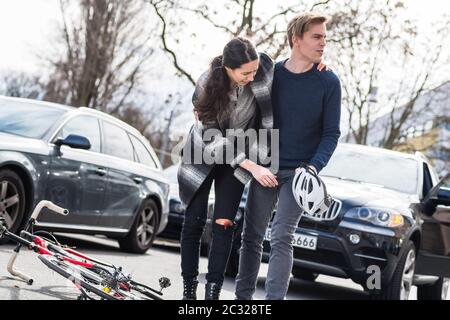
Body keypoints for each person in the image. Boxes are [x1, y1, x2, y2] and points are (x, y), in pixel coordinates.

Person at [235, 12, 342, 300]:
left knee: (282, 236)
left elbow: (331, 133)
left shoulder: (329, 81)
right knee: (251, 237)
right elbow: (238, 92)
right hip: (265, 168)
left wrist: (312, 168)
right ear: (296, 39)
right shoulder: (270, 73)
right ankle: (242, 300)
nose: (323, 44)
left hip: (299, 175)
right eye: (316, 37)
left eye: (324, 38)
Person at [177, 37, 276, 300]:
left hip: (241, 151)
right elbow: (210, 137)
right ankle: (189, 292)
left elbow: (292, 66)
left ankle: (213, 294)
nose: (252, 76)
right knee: (194, 220)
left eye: (254, 70)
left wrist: (318, 64)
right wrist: (253, 166)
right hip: (204, 149)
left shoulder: (263, 68)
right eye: (245, 73)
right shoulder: (206, 83)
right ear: (229, 69)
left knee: (224, 223)